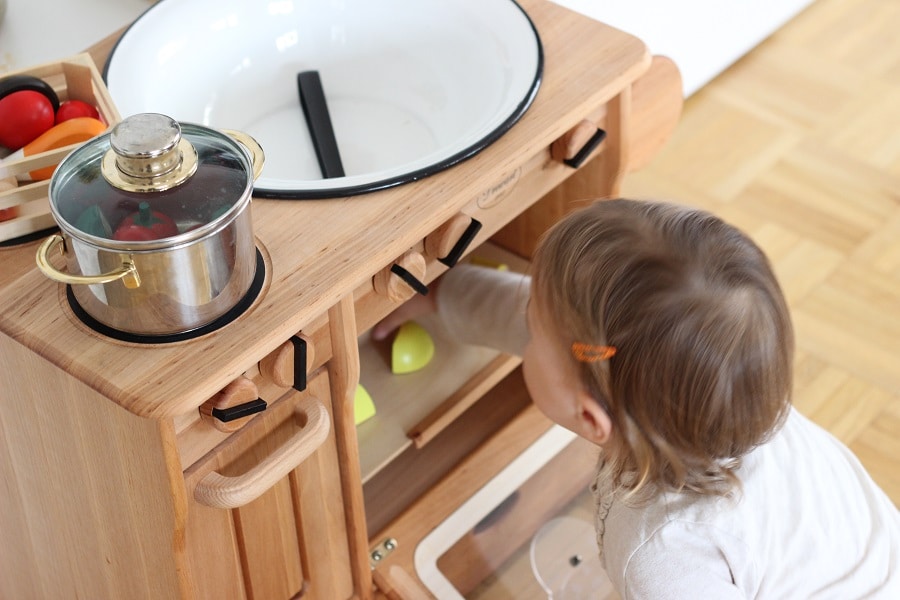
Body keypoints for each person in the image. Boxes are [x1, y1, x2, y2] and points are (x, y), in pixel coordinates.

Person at [373, 198, 900, 598]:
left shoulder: (661, 554)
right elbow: (557, 332)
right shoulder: (733, 397)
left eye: (533, 332)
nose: (526, 323)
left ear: (589, 418)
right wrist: (443, 293)